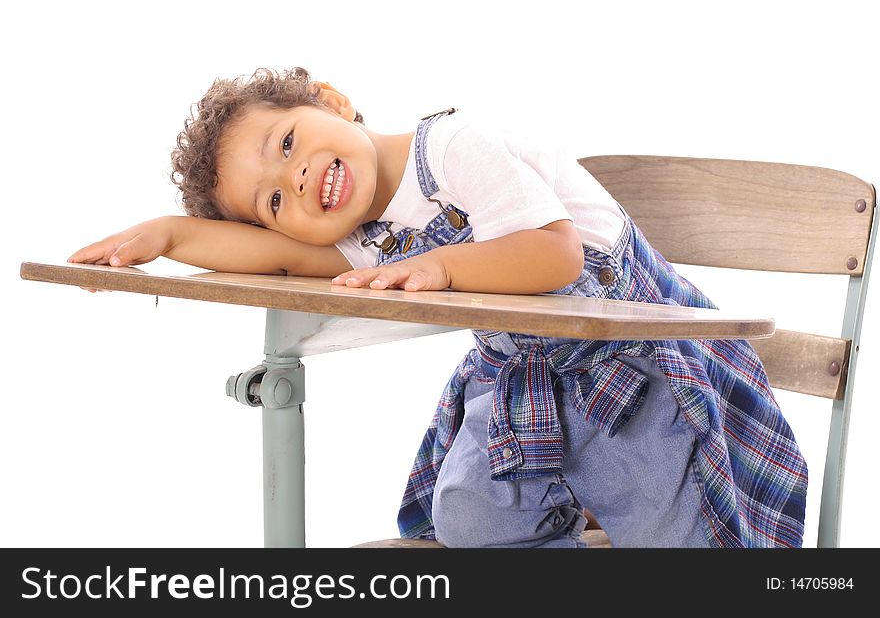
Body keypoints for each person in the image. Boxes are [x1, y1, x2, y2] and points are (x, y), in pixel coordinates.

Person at [69, 67, 808, 548]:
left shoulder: (452, 145)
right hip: (527, 382)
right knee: (468, 517)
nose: (296, 178)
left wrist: (441, 264)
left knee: (677, 532)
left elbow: (556, 255)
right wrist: (167, 236)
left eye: (288, 141)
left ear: (331, 99)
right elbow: (282, 258)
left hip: (634, 368)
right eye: (272, 200)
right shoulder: (362, 236)